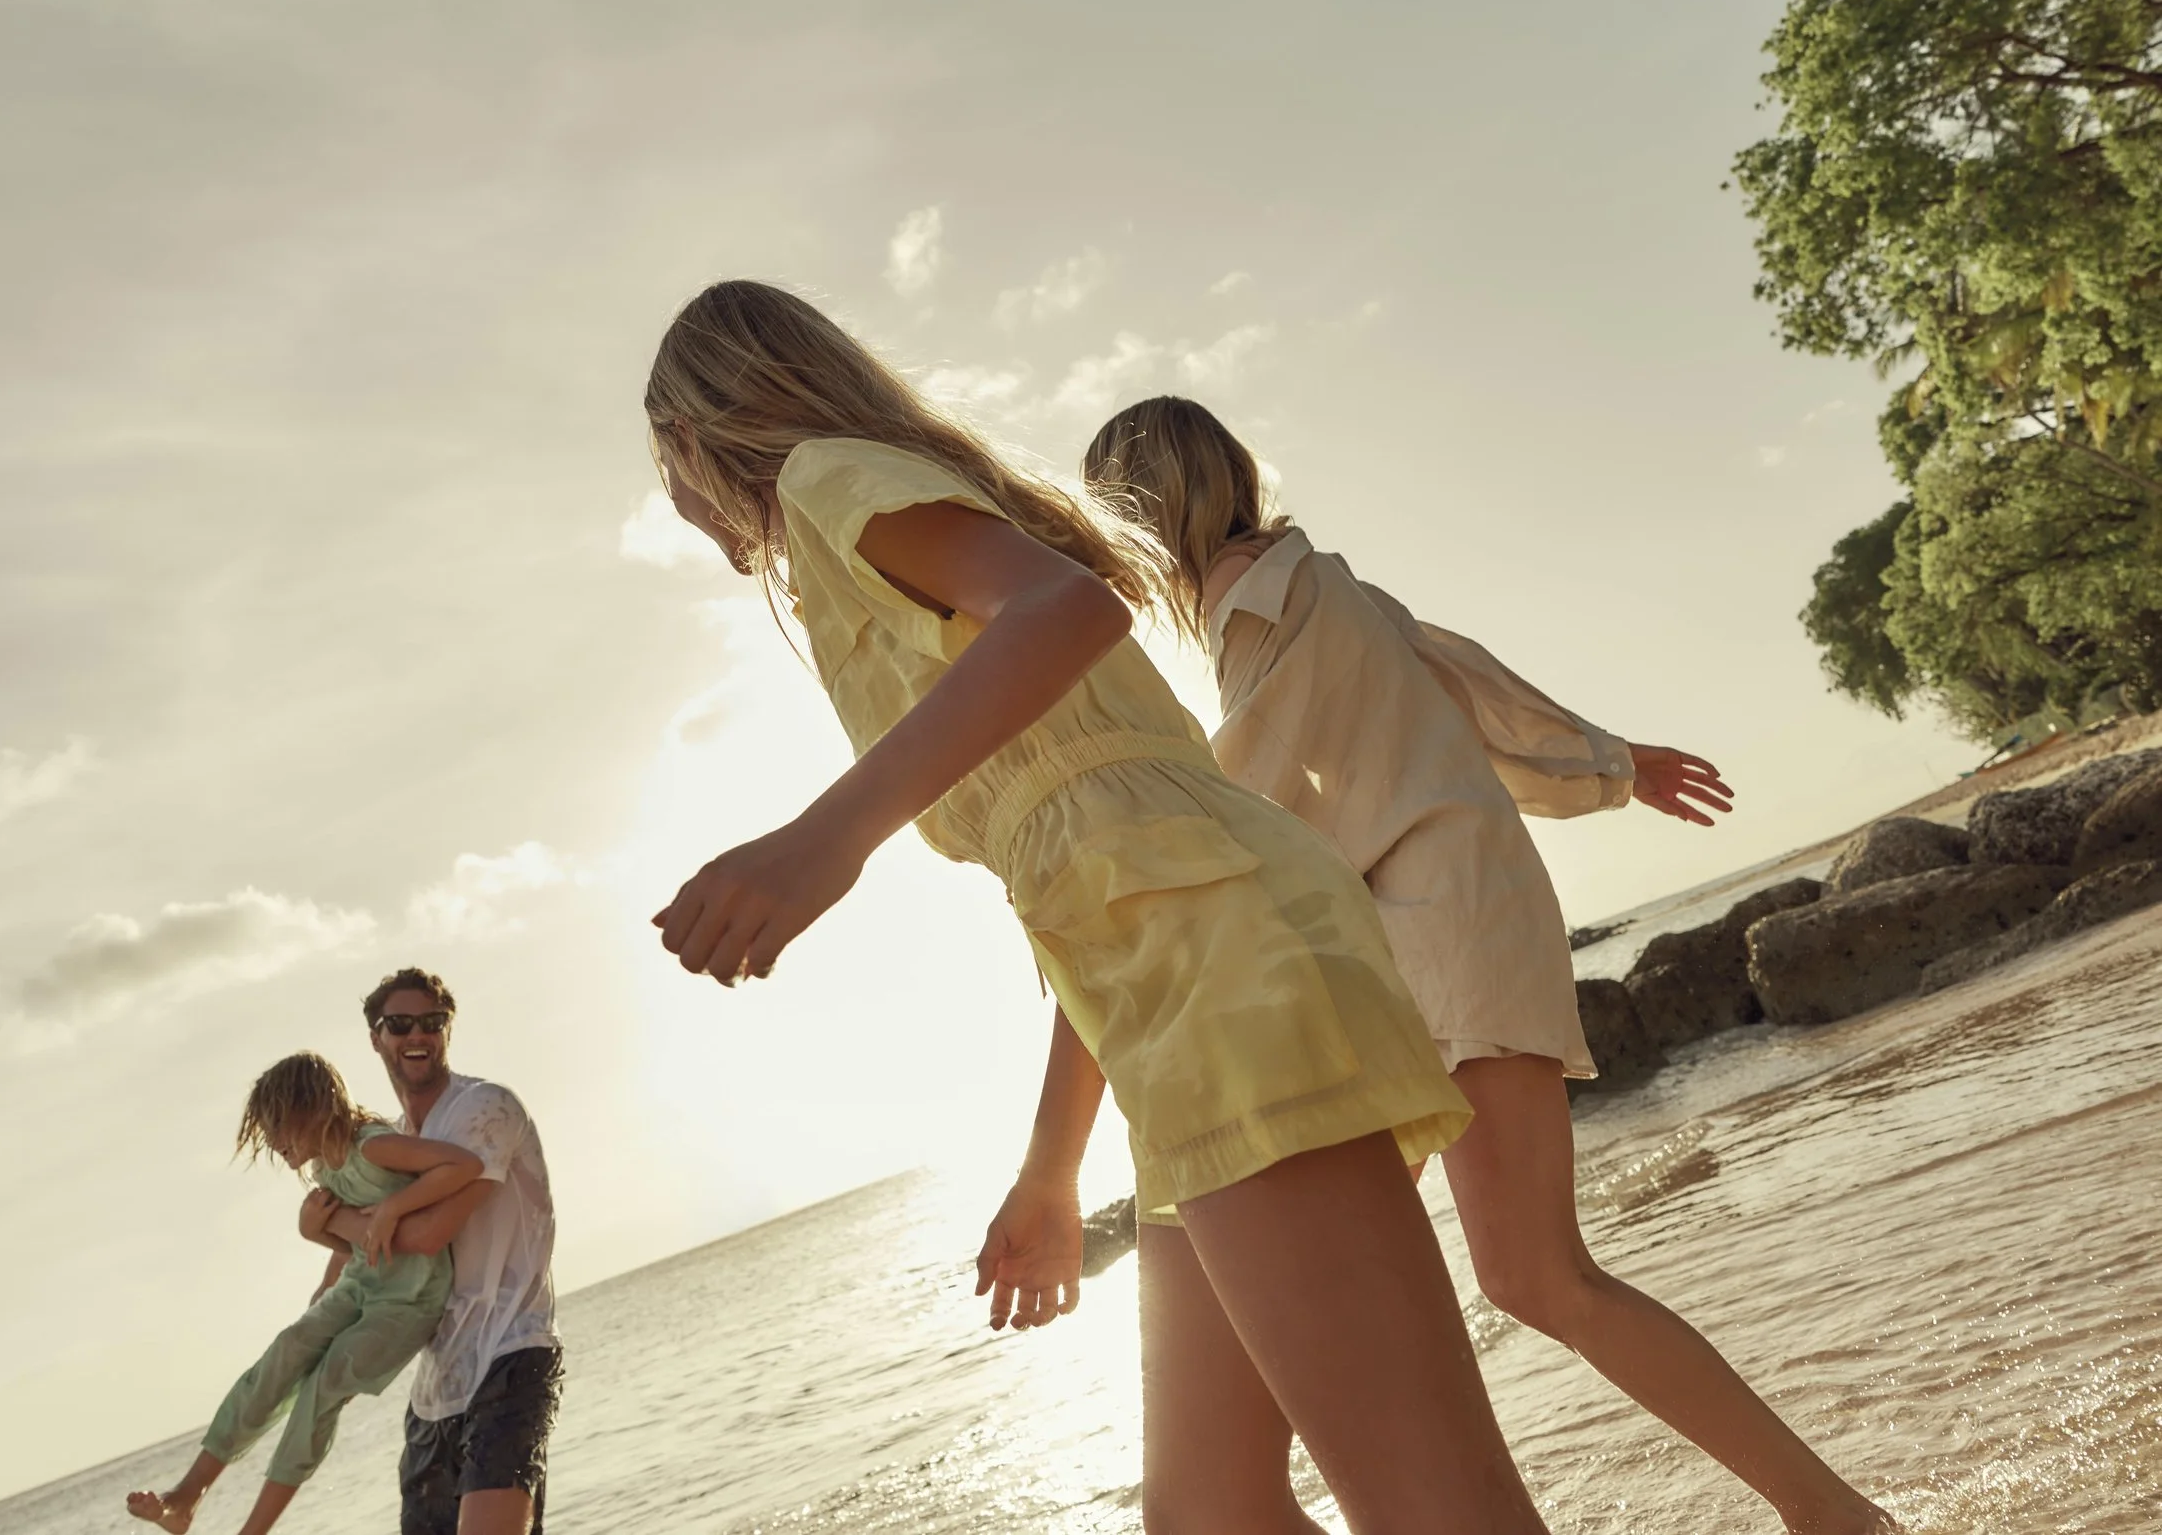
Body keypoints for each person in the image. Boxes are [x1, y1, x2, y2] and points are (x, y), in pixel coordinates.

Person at [642, 278, 1550, 1535]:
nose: (675, 499)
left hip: (1231, 981)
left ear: (691, 435)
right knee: (1213, 1513)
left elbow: (1072, 609)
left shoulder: (826, 479)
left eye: (665, 467)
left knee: (1431, 1505)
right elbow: (1106, 882)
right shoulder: (874, 541)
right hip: (1192, 987)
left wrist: (826, 837)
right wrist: (1053, 1170)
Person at [1077, 394, 1896, 1535]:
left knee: (1520, 1278)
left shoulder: (1252, 597)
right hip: (1448, 924)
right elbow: (1458, 681)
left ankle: (1833, 1517)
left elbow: (1249, 792)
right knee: (1435, 1282)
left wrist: (1122, 868)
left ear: (1139, 510)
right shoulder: (1316, 579)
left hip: (1438, 935)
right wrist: (1612, 761)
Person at [126, 1053, 482, 1535]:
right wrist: (324, 1275)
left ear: (313, 1108)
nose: (273, 1143)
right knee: (286, 1351)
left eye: (278, 1126)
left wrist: (394, 1206)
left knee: (324, 1386)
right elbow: (359, 1243)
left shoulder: (374, 1146)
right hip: (360, 1285)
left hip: (410, 1299)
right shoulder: (324, 1171)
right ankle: (186, 1497)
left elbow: (463, 1164)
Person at [304, 968, 563, 1535]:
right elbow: (354, 1268)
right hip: (434, 1392)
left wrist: (332, 1221)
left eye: (432, 1022)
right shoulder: (390, 1144)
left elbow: (426, 1235)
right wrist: (311, 1354)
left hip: (510, 1354)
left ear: (448, 1029)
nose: (416, 1034)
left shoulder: (485, 1108)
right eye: (399, 1024)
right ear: (376, 1038)